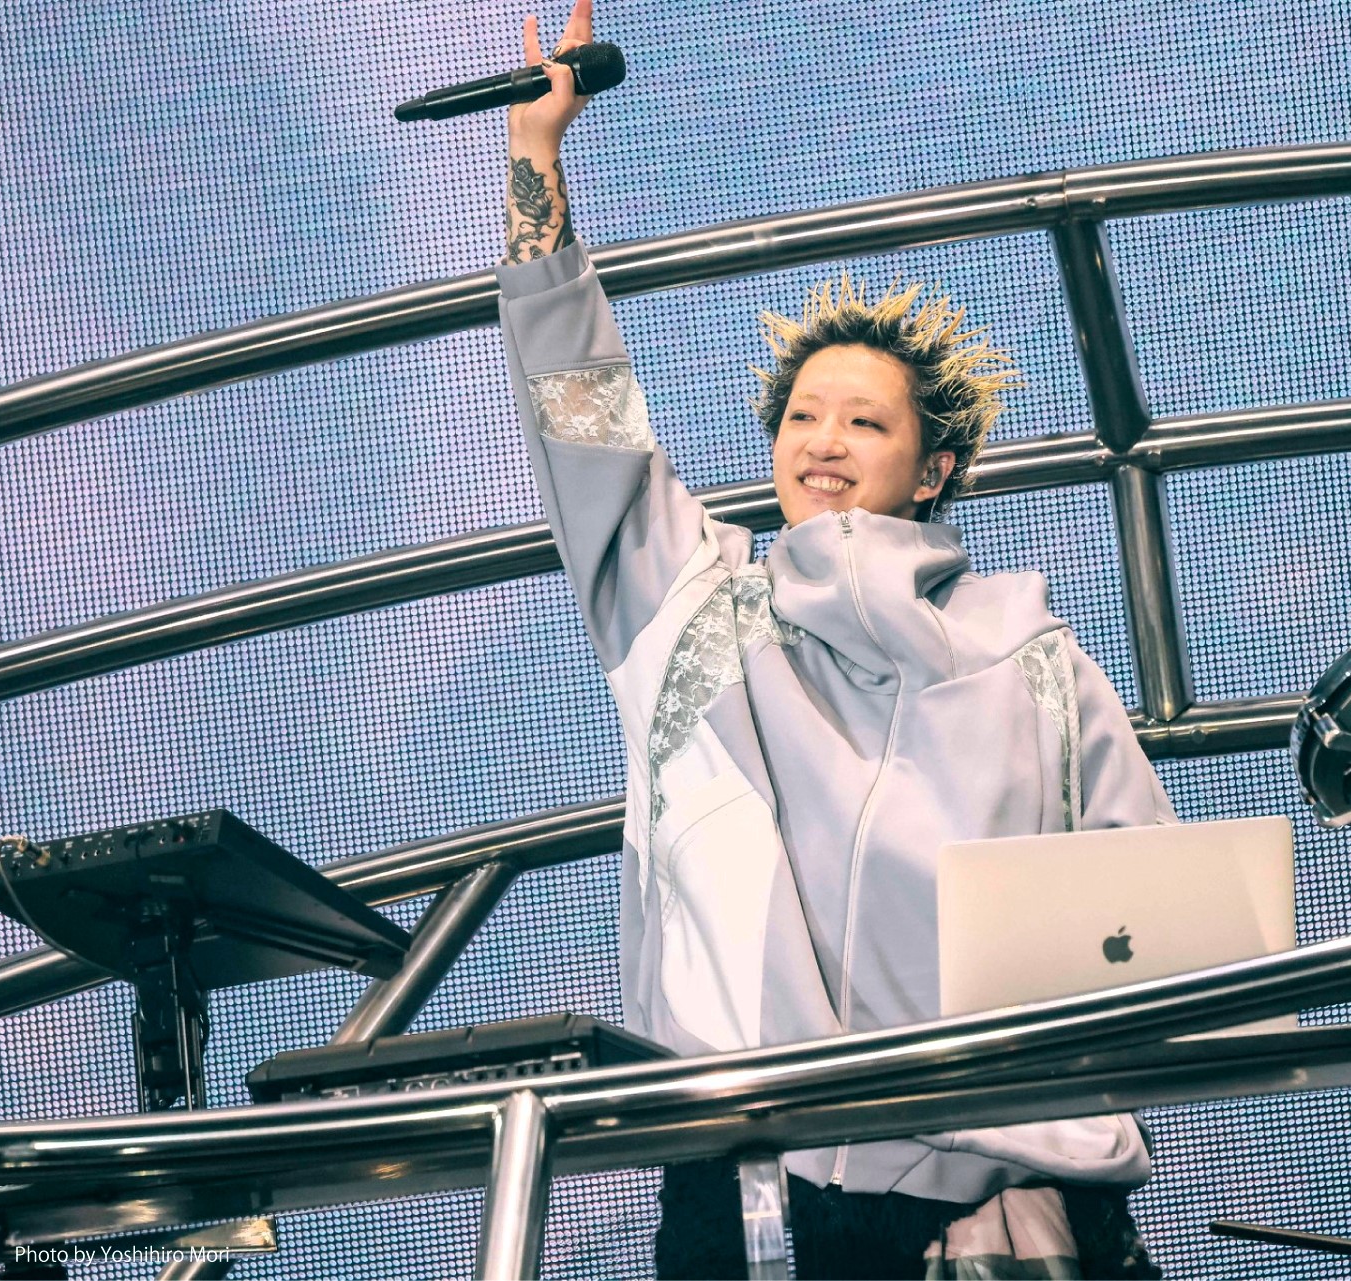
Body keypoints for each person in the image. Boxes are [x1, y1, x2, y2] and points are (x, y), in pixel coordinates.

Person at [496, 4, 1175, 1275]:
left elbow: (1147, 913)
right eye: (802, 415)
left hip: (1005, 1196)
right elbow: (583, 420)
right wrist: (539, 159)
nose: (822, 441)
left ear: (936, 467)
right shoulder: (687, 607)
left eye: (865, 422)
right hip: (756, 1183)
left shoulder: (1036, 661)